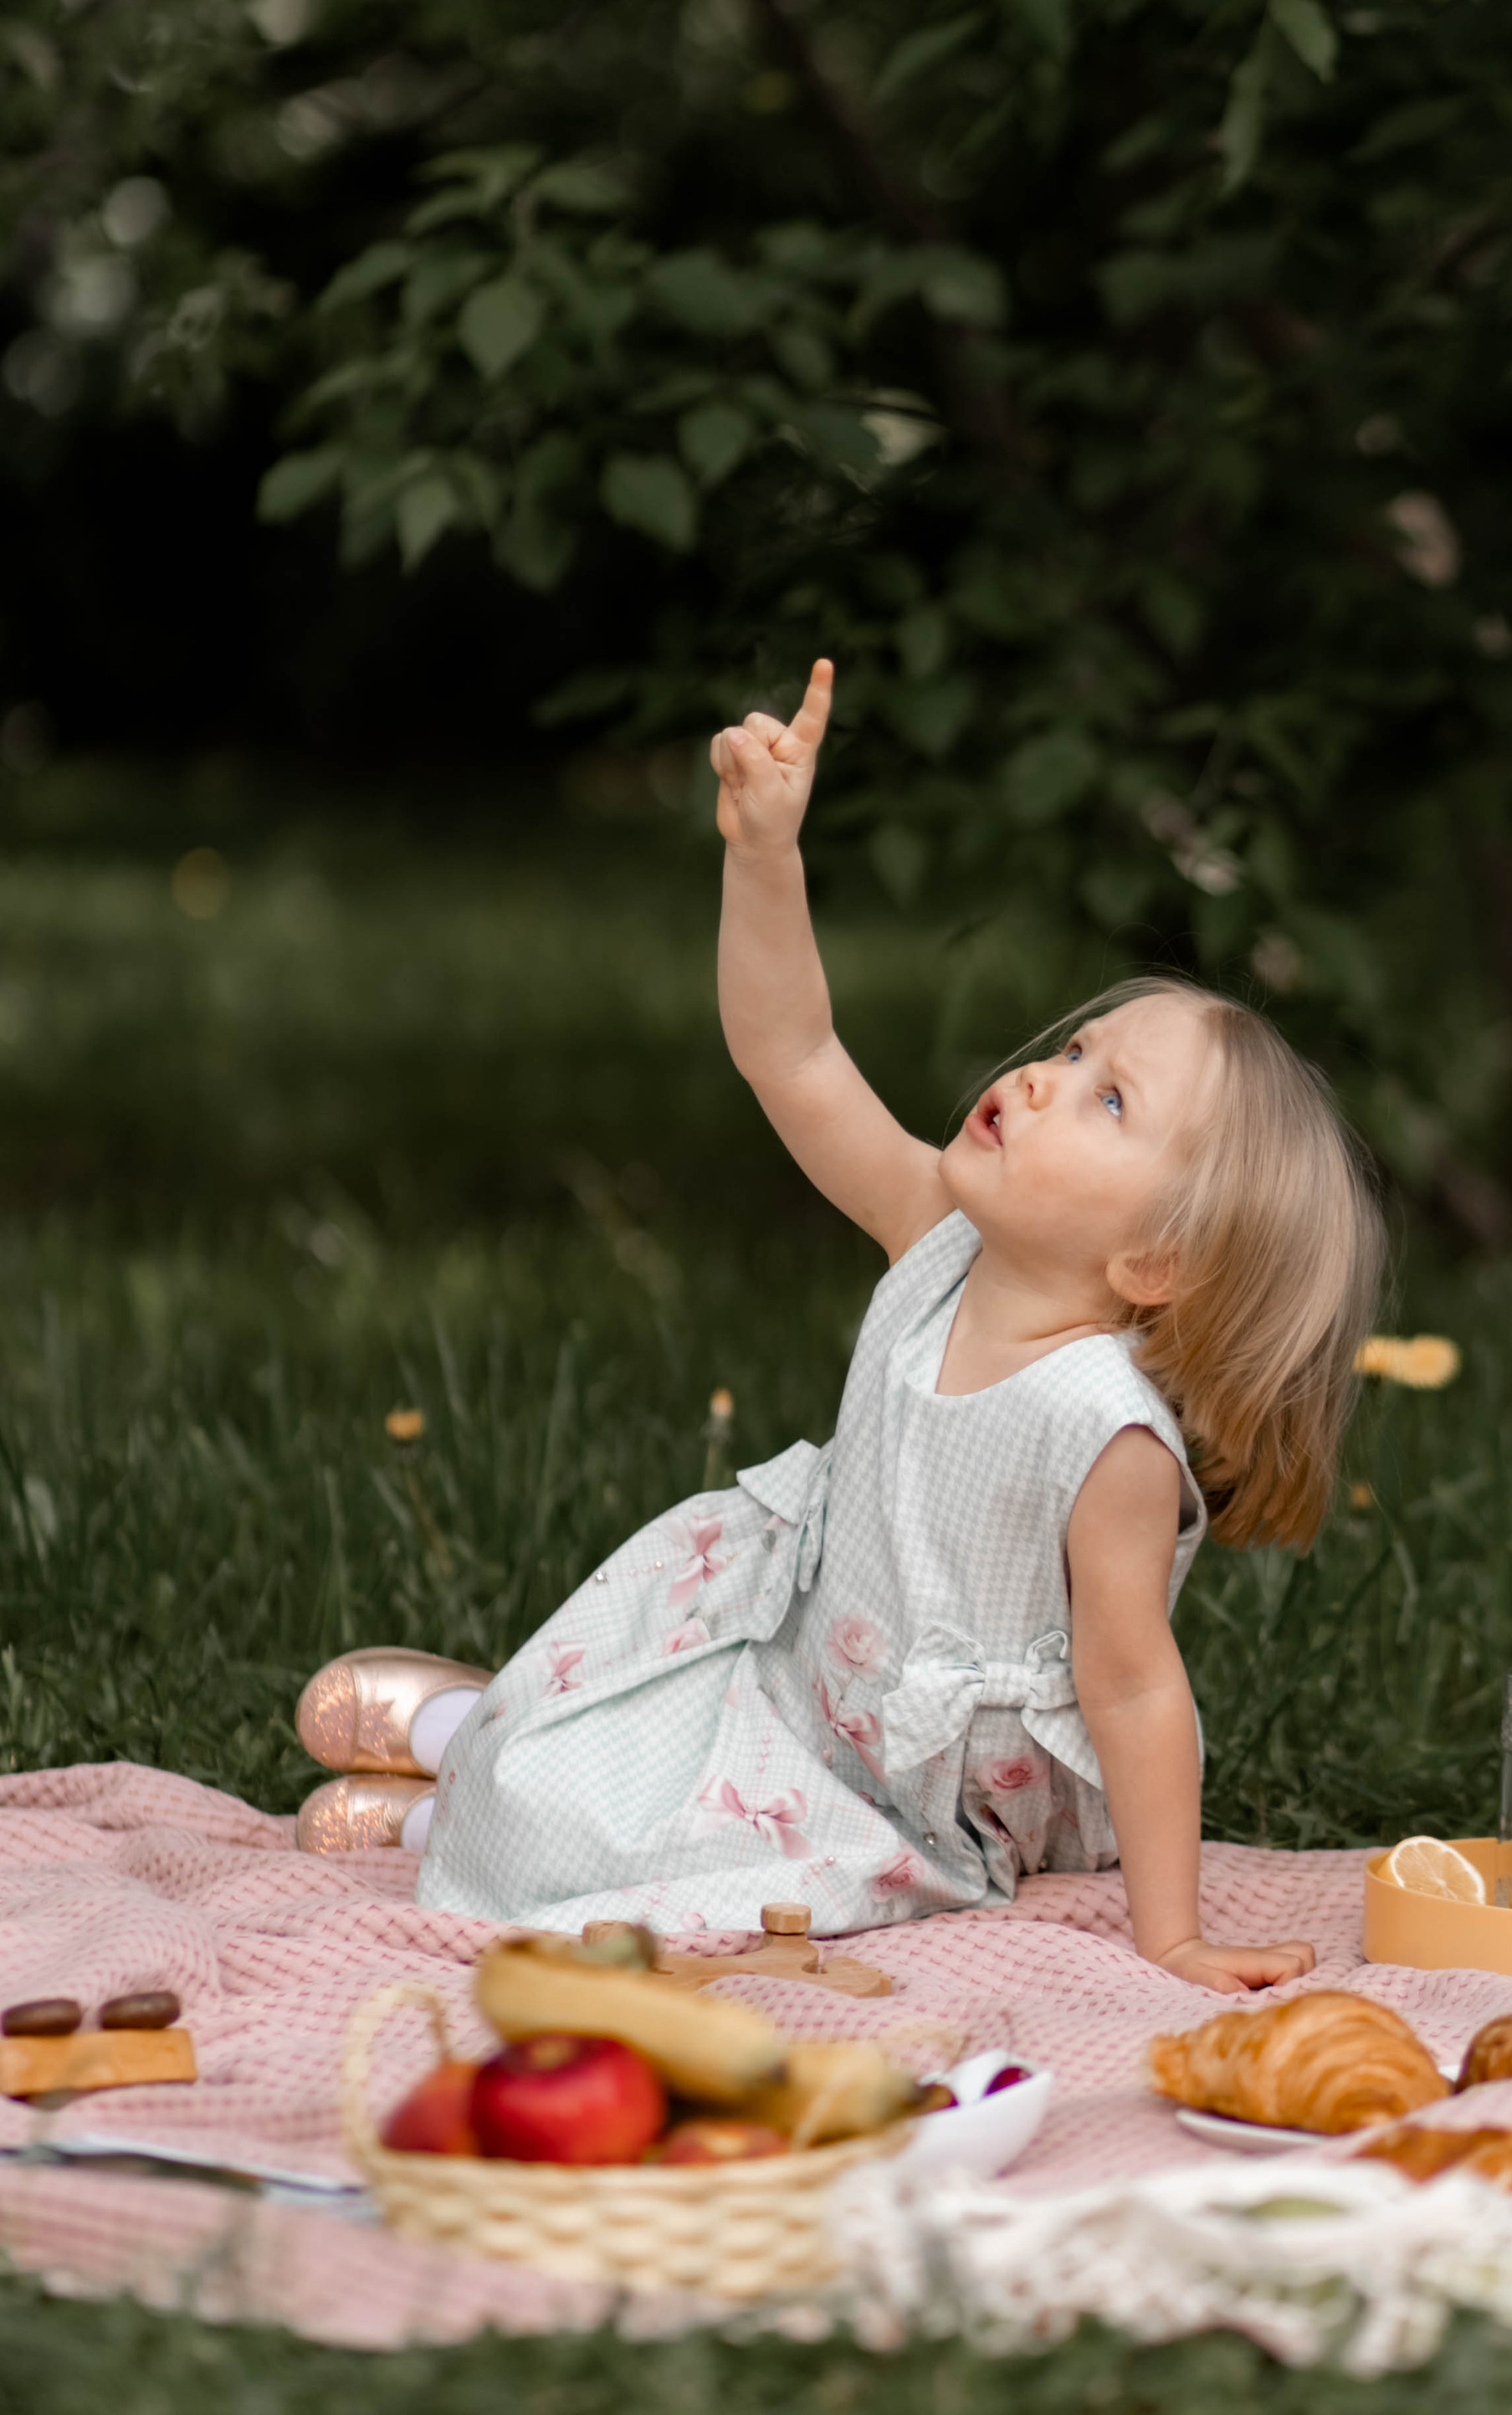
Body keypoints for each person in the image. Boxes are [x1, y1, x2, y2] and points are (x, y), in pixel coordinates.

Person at [293, 661, 1385, 1990]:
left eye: (1110, 1102)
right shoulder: (942, 1238)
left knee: (633, 1884)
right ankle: (483, 1741)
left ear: (1156, 1260)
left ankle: (455, 1782)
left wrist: (1177, 1936)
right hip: (790, 1682)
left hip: (899, 1800)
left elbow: (1139, 1691)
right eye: (1079, 1049)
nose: (1045, 1076)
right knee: (572, 1752)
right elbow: (792, 1054)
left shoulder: (1109, 1442)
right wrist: (767, 853)